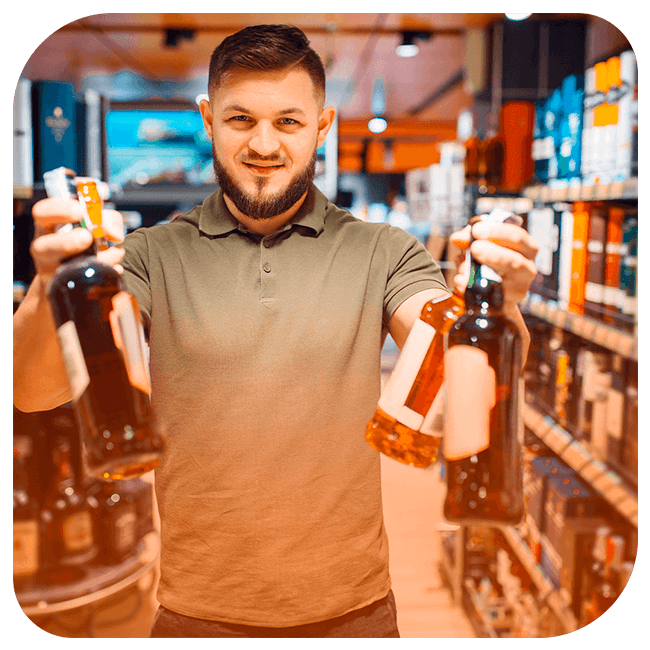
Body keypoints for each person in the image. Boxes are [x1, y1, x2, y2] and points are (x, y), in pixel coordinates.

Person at [13, 24, 538, 638]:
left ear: (323, 125)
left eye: (289, 122)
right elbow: (34, 390)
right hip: (195, 617)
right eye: (241, 120)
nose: (265, 144)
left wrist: (502, 301)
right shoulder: (149, 256)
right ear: (208, 120)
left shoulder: (383, 252)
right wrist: (49, 289)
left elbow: (456, 363)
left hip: (356, 614)